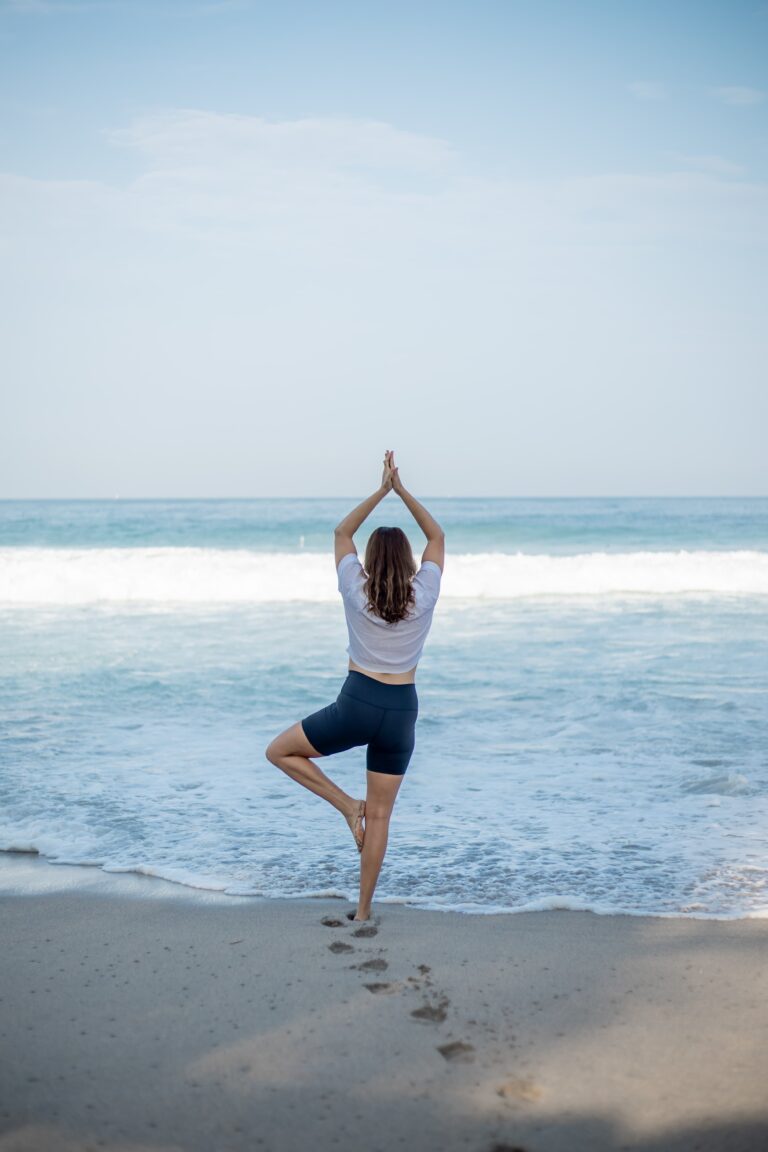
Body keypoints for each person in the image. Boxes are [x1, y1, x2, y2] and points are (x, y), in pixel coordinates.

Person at [266, 450, 445, 922]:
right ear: (409, 560)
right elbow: (437, 536)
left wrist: (381, 490)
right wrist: (403, 491)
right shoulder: (424, 594)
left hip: (358, 702)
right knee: (383, 817)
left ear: (367, 560)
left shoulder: (355, 589)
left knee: (279, 751)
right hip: (402, 710)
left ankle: (346, 806)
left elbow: (341, 532)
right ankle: (363, 912)